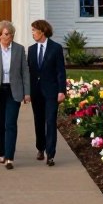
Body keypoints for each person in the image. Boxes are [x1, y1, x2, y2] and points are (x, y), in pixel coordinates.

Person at [0, 20, 30, 170]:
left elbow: (25, 72)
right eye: (6, 34)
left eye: (11, 34)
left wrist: (27, 92)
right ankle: (1, 151)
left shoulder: (19, 50)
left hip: (13, 91)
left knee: (10, 124)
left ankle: (10, 157)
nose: (9, 37)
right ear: (0, 35)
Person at [27, 19, 67, 166]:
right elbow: (29, 72)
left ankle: (50, 154)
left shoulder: (56, 48)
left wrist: (61, 90)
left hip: (51, 91)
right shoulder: (31, 50)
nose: (32, 33)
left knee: (50, 121)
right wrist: (27, 91)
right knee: (38, 121)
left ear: (42, 31)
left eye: (34, 31)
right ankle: (40, 148)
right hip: (36, 91)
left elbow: (60, 71)